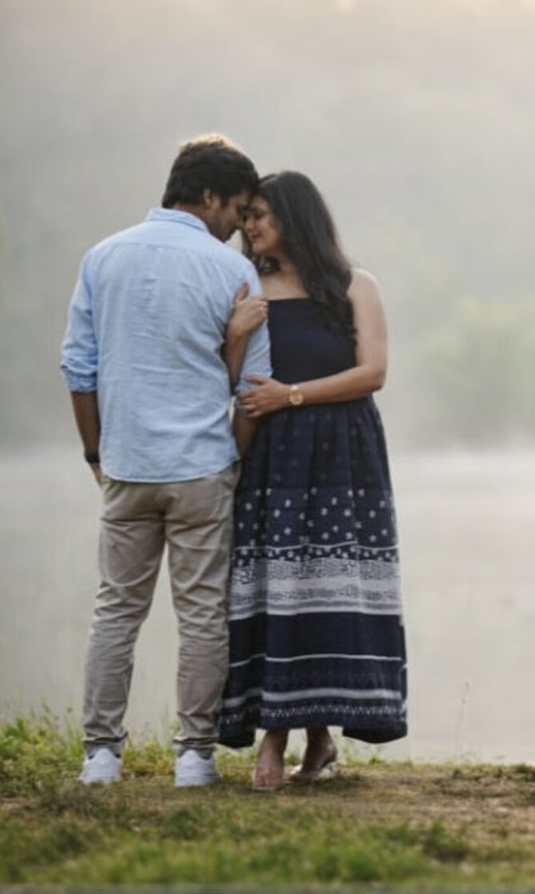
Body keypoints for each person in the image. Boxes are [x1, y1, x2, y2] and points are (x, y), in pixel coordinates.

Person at [60, 134, 272, 788]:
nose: (240, 224)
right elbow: (254, 390)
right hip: (202, 469)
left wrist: (98, 453)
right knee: (203, 613)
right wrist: (229, 459)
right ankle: (193, 758)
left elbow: (77, 367)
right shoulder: (234, 273)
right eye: (236, 208)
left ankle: (100, 756)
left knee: (116, 610)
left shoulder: (102, 257)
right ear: (207, 195)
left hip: (128, 467)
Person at [218, 170, 407, 790]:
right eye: (246, 217)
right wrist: (238, 338)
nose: (248, 227)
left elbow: (372, 373)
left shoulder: (357, 285)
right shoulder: (250, 290)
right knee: (280, 588)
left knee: (331, 585)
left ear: (295, 218)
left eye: (260, 216)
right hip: (273, 454)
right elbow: (233, 378)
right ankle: (296, 736)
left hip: (345, 456)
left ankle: (300, 738)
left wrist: (291, 397)